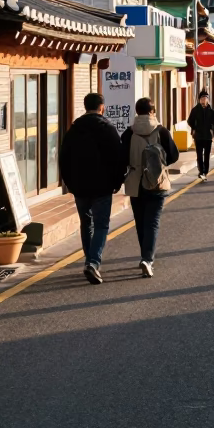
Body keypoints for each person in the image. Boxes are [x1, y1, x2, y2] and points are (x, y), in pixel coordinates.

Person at [59, 92, 127, 285]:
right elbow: (119, 159)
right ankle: (93, 262)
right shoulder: (108, 129)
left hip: (80, 186)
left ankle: (90, 261)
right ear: (102, 107)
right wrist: (117, 182)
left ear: (85, 107)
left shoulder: (74, 129)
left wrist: (70, 183)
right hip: (102, 187)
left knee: (86, 223)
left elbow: (63, 158)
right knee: (101, 225)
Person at [121, 98, 180, 278]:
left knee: (140, 222)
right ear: (152, 112)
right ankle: (147, 259)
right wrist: (159, 164)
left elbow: (122, 158)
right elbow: (174, 155)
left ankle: (145, 256)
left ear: (137, 112)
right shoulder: (161, 131)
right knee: (152, 222)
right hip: (157, 182)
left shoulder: (129, 133)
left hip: (135, 183)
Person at [186, 89, 214, 180]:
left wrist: (212, 128)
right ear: (199, 100)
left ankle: (205, 171)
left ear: (208, 99)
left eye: (205, 98)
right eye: (202, 98)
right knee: (199, 155)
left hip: (208, 136)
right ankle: (201, 171)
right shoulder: (195, 110)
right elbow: (189, 121)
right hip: (198, 136)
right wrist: (194, 128)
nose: (204, 100)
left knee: (207, 155)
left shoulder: (211, 111)